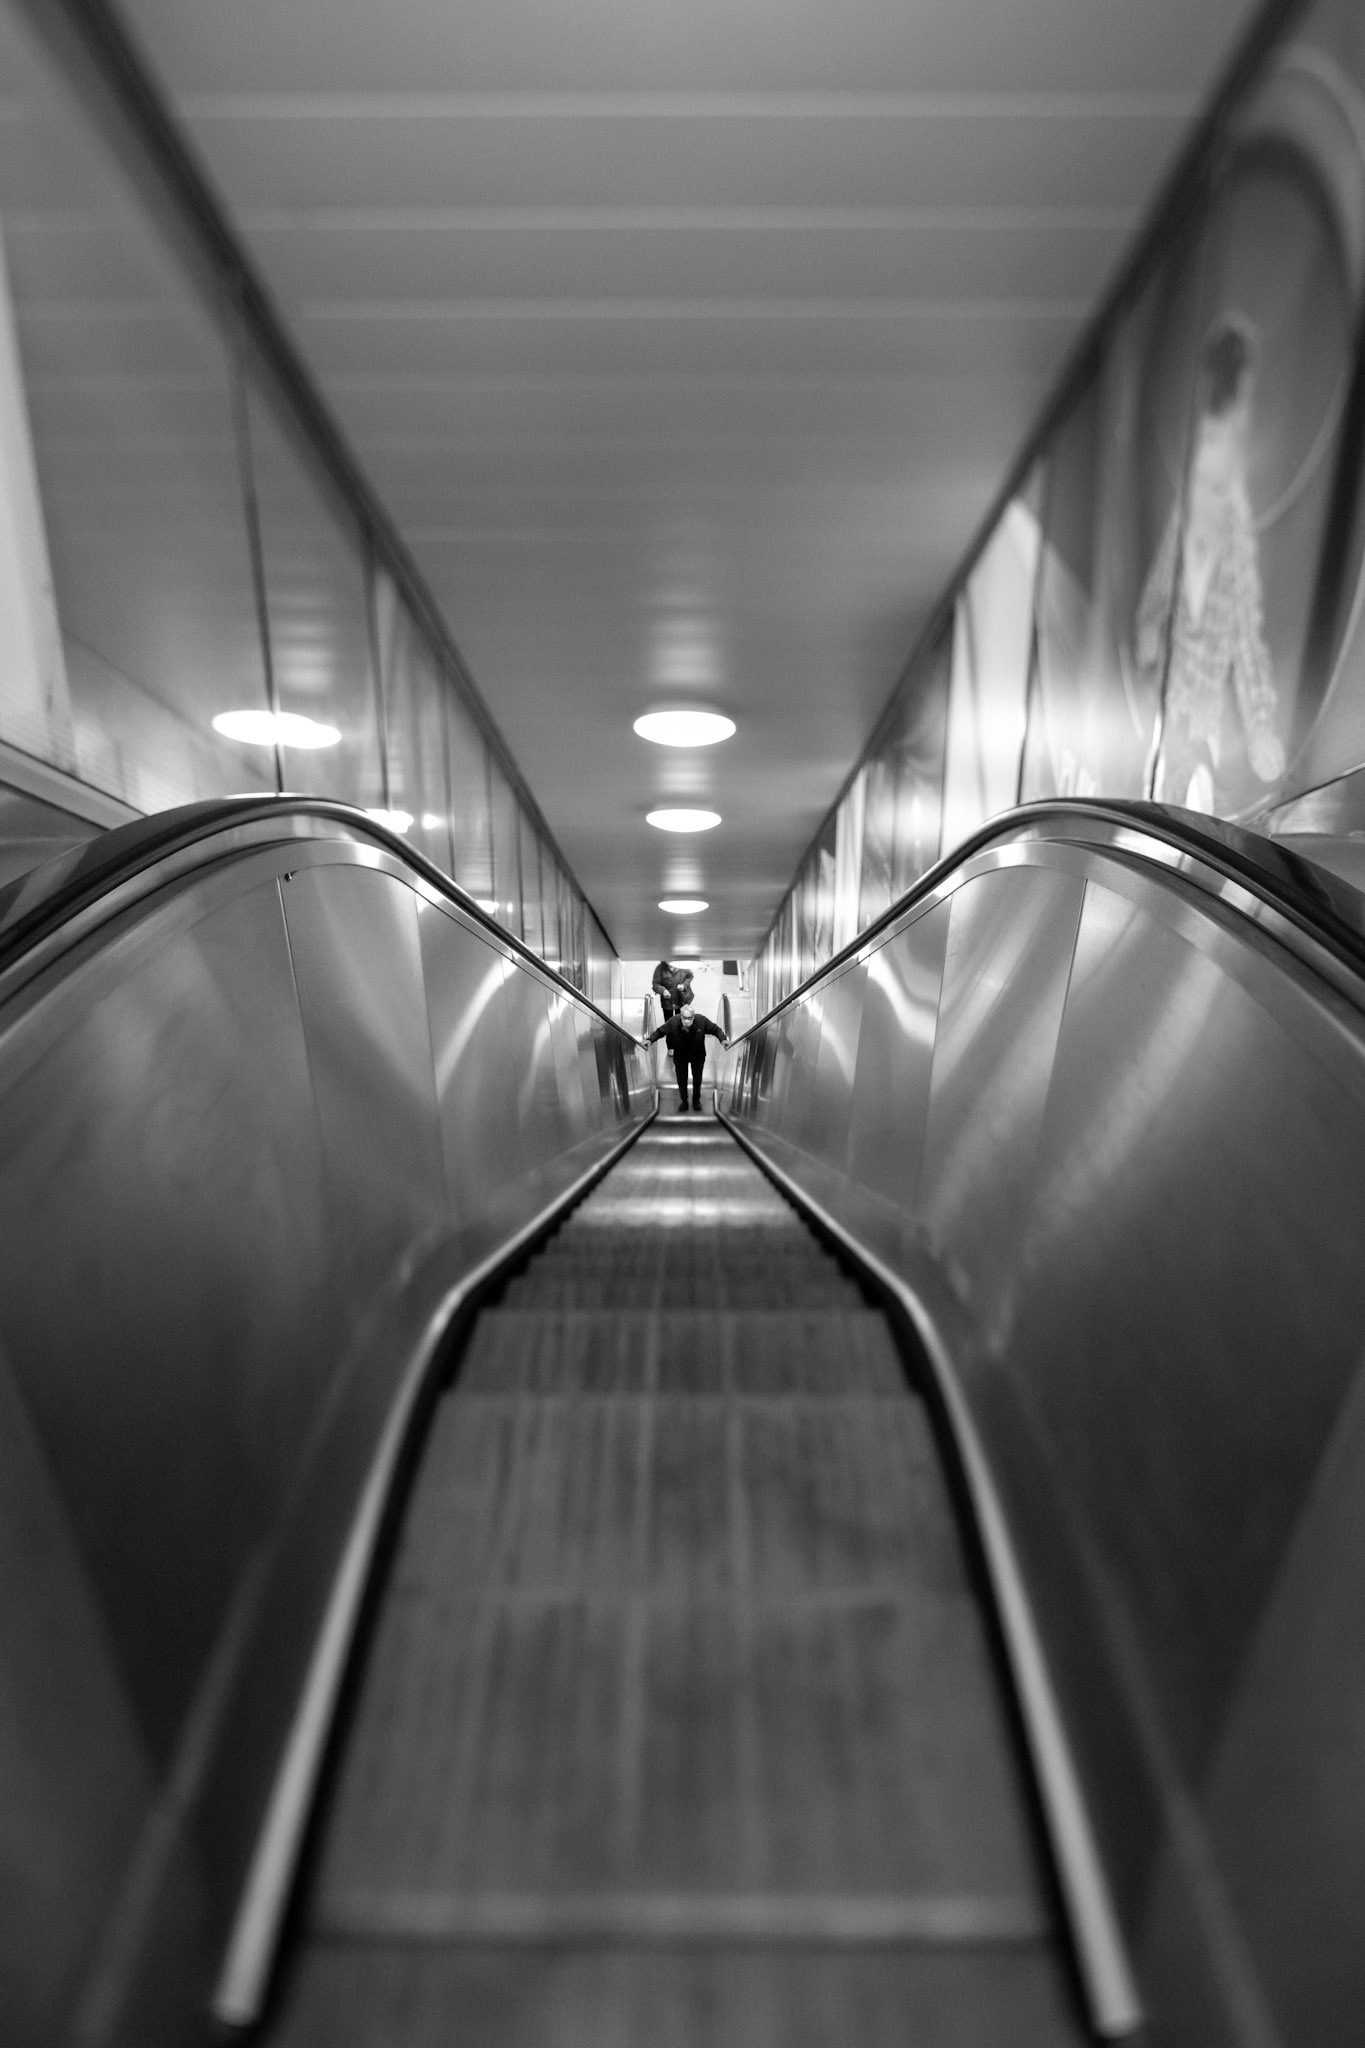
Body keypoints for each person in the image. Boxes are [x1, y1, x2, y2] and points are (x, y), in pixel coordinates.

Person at [1135, 312, 1285, 814]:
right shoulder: (1185, 508)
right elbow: (1157, 596)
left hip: (1197, 727)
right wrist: (1148, 644)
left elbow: (1245, 635)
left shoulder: (1234, 527)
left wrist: (1260, 726)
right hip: (1170, 721)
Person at [643, 1002, 728, 1112]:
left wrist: (723, 1039)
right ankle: (684, 1101)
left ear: (693, 1017)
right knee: (681, 1080)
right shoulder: (673, 1022)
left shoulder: (701, 1021)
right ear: (681, 1017)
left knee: (697, 1079)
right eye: (684, 1018)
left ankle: (696, 1100)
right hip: (680, 1056)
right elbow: (661, 1031)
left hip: (697, 1056)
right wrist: (650, 1040)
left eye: (689, 1018)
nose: (686, 1021)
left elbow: (715, 1029)